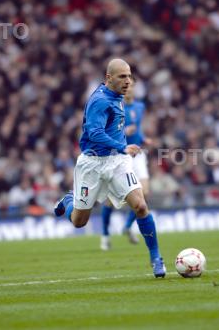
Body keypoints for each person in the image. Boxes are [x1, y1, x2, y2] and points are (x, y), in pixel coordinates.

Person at [54, 58, 166, 278]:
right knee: (79, 221)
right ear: (109, 78)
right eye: (122, 76)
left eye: (129, 76)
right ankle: (68, 200)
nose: (128, 81)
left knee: (141, 205)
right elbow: (94, 133)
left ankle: (156, 258)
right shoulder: (100, 101)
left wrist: (124, 148)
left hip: (116, 162)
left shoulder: (117, 96)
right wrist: (122, 146)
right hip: (92, 164)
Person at [99, 81, 152, 251]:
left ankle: (128, 226)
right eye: (126, 85)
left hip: (137, 154)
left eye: (132, 85)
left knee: (145, 192)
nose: (129, 88)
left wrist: (143, 138)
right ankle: (105, 235)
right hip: (119, 155)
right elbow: (105, 132)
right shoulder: (115, 107)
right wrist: (123, 133)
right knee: (111, 200)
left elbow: (138, 129)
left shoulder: (140, 106)